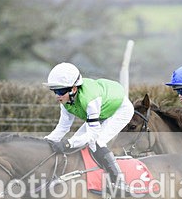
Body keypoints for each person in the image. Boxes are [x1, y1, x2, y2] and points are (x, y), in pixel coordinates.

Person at [43, 62, 134, 190]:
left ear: (74, 89)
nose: (58, 96)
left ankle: (120, 181)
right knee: (76, 142)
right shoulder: (65, 100)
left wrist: (68, 143)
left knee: (96, 142)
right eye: (55, 91)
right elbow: (62, 128)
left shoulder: (89, 100)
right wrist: (47, 141)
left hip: (120, 110)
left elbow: (93, 134)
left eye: (61, 91)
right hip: (102, 112)